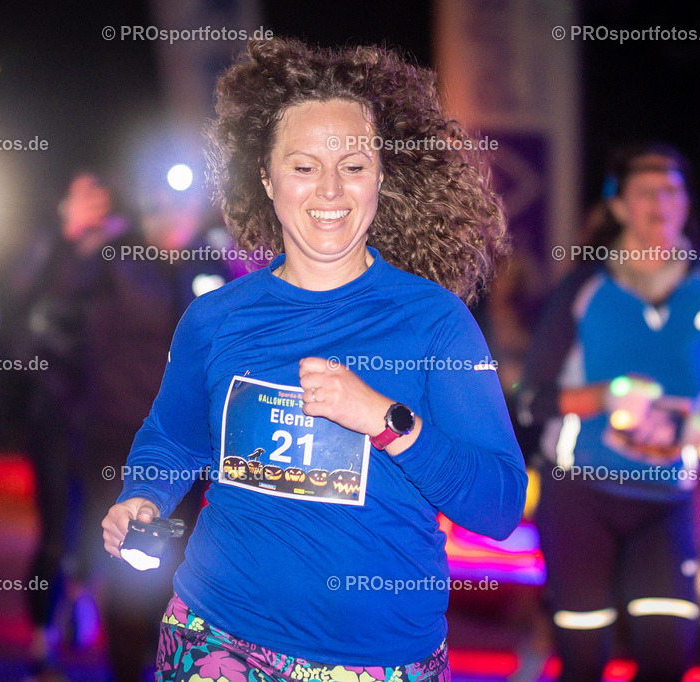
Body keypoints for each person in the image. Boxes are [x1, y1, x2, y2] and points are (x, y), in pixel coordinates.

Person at [102, 37, 527, 679]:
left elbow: (499, 505)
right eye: (303, 166)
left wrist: (388, 421)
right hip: (218, 637)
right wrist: (145, 496)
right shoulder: (216, 318)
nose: (330, 189)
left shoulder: (437, 323)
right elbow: (172, 436)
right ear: (267, 180)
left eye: (353, 166)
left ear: (382, 175)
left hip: (379, 660)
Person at [517, 143, 700, 682]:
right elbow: (531, 399)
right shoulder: (583, 289)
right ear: (620, 206)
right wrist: (606, 395)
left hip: (666, 500)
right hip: (580, 496)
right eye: (645, 192)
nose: (661, 203)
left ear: (688, 204)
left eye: (672, 191)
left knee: (669, 658)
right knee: (585, 663)